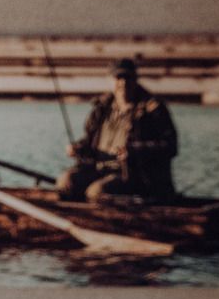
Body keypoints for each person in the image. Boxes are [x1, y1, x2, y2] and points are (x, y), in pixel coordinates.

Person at [58, 57, 180, 201]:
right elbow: (89, 142)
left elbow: (170, 146)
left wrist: (134, 151)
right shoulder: (101, 108)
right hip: (98, 169)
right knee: (66, 181)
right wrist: (78, 148)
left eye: (128, 77)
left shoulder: (153, 110)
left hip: (134, 176)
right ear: (110, 80)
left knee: (97, 192)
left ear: (136, 79)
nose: (123, 83)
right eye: (118, 78)